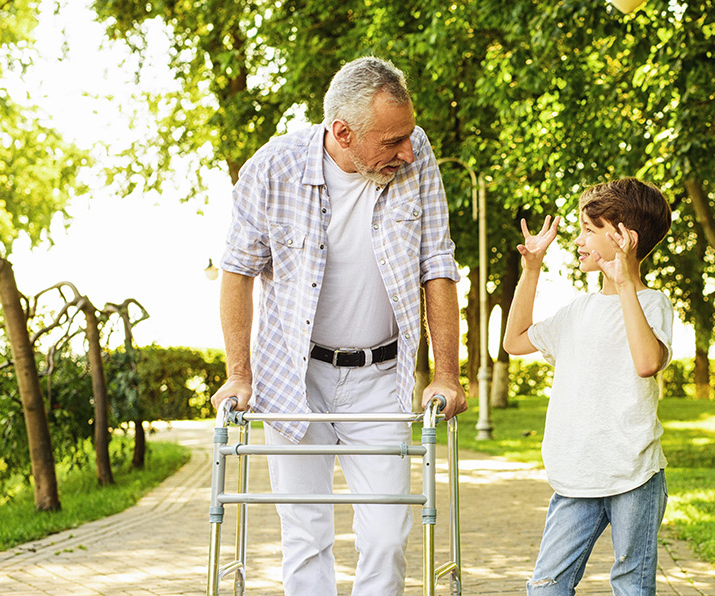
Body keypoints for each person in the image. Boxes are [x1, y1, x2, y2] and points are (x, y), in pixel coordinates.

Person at [210, 56, 468, 596]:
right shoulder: (272, 167)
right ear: (343, 132)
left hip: (381, 376)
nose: (406, 150)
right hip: (294, 375)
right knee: (304, 535)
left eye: (407, 136)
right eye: (391, 141)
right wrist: (240, 374)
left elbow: (437, 266)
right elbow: (237, 273)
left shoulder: (416, 156)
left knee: (386, 534)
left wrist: (447, 374)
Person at [502, 178, 675, 596]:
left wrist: (624, 282)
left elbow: (647, 361)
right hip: (575, 477)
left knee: (632, 586)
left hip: (634, 474)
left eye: (589, 230)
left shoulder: (652, 304)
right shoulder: (576, 311)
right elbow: (515, 340)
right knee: (545, 587)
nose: (578, 241)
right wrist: (530, 271)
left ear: (624, 238)